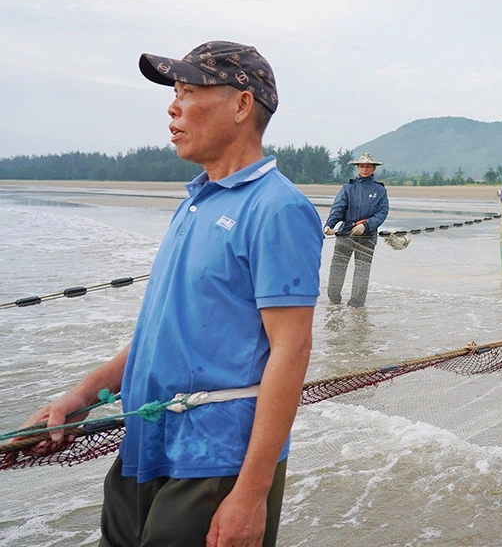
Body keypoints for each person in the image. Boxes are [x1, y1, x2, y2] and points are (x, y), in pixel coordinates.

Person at [20, 42, 322, 546]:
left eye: (187, 91)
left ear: (242, 105)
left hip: (215, 463)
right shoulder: (196, 202)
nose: (172, 106)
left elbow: (293, 350)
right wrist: (83, 396)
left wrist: (250, 495)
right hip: (145, 447)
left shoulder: (277, 210)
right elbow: (163, 332)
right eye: (174, 93)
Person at [324, 153, 390, 307]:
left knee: (362, 271)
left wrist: (365, 226)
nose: (364, 169)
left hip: (367, 237)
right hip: (345, 234)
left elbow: (382, 213)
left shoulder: (380, 190)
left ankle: (356, 306)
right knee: (337, 268)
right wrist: (330, 224)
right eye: (361, 166)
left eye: (368, 166)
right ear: (357, 168)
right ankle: (333, 303)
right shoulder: (348, 188)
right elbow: (338, 208)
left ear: (373, 169)